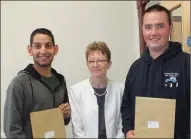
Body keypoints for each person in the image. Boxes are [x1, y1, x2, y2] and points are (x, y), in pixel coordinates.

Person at [121, 4, 190, 139]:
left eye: (160, 26)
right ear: (142, 30)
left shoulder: (186, 64)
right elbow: (127, 106)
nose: (153, 33)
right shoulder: (135, 68)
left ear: (170, 28)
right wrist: (128, 131)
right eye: (148, 27)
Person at [4, 28, 71, 138]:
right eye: (37, 46)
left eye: (48, 45)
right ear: (30, 50)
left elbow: (64, 120)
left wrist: (66, 114)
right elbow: (12, 130)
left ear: (56, 49)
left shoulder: (60, 80)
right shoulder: (19, 83)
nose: (43, 51)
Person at [69, 41, 124, 138]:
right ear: (87, 64)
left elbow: (121, 125)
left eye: (100, 60)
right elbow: (78, 130)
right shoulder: (76, 91)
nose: (95, 64)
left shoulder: (120, 89)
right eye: (91, 61)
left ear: (109, 64)